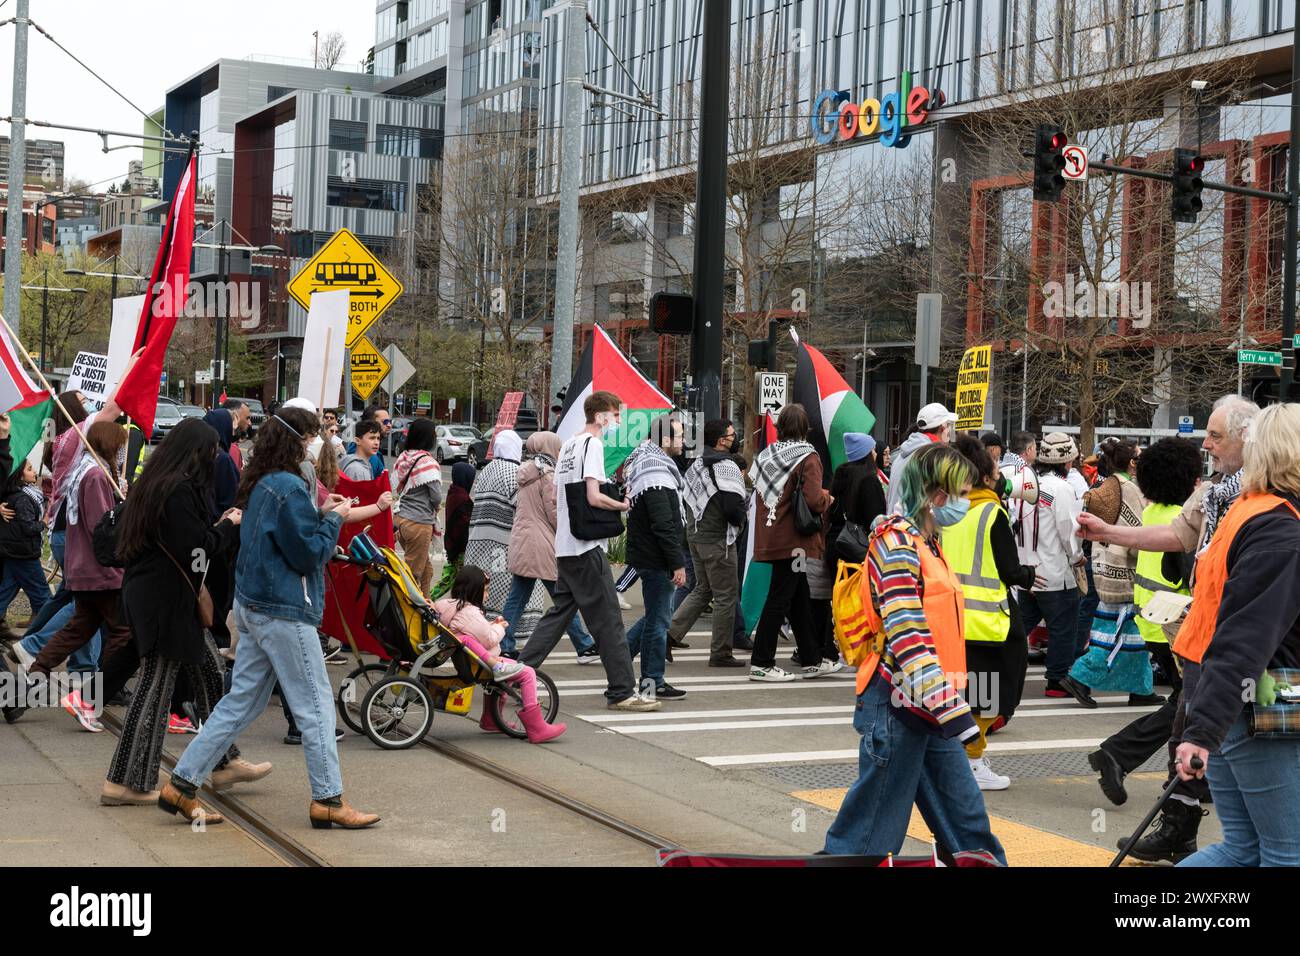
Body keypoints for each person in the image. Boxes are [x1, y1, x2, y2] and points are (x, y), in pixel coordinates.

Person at [158, 407, 380, 829]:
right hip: (284, 610)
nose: (317, 447)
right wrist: (332, 518)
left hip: (255, 605)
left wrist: (321, 517)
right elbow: (306, 553)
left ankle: (182, 782)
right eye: (313, 437)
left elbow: (280, 540)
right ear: (297, 441)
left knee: (241, 701)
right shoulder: (290, 487)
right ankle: (328, 798)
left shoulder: (262, 482)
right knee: (315, 705)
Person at [1079, 395, 1260, 862]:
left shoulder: (1262, 494)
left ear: (1247, 438)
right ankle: (1182, 829)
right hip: (1200, 631)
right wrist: (1109, 534)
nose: (1207, 443)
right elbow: (1179, 535)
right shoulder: (1216, 490)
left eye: (1216, 436)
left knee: (1221, 737)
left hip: (1240, 636)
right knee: (1188, 729)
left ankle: (1217, 833)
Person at [822, 443, 1005, 865]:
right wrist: (953, 711)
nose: (966, 501)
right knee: (871, 835)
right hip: (898, 703)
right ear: (937, 496)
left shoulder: (927, 541)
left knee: (967, 823)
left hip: (927, 706)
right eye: (962, 492)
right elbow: (907, 635)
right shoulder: (899, 545)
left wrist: (947, 706)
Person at [101, 419, 270, 805]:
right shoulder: (177, 490)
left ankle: (224, 759)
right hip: (166, 605)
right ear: (196, 453)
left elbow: (182, 541)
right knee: (154, 691)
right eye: (211, 452)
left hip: (165, 599)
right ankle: (123, 781)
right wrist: (227, 527)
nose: (215, 459)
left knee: (210, 675)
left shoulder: (160, 483)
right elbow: (195, 550)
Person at [1171, 403, 1300, 867]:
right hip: (1260, 710)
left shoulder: (1252, 510)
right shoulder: (1282, 529)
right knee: (1287, 855)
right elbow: (1246, 635)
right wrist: (1202, 731)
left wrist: (1203, 724)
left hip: (1224, 701)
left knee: (1240, 851)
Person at [1087, 437, 1206, 856]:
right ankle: (1118, 754)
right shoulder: (1180, 522)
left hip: (1153, 624)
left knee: (1184, 705)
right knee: (1188, 707)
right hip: (1178, 628)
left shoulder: (1152, 513)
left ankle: (1185, 783)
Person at [518, 390, 659, 712]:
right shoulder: (592, 445)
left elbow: (560, 496)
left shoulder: (568, 445)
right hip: (586, 548)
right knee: (608, 621)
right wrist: (622, 504)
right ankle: (622, 691)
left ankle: (516, 674)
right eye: (615, 416)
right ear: (600, 416)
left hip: (566, 546)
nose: (617, 422)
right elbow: (594, 497)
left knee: (557, 617)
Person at [944, 435, 1040, 791]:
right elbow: (1010, 570)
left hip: (954, 617)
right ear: (985, 478)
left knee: (966, 691)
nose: (1001, 475)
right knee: (992, 694)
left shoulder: (950, 510)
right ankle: (972, 759)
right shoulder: (991, 513)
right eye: (996, 469)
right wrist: (1030, 575)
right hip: (989, 620)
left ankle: (962, 756)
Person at [28, 421, 130, 733]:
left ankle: (36, 673)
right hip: (103, 571)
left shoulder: (83, 470)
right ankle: (94, 696)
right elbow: (103, 526)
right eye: (121, 445)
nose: (124, 451)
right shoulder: (97, 475)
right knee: (124, 635)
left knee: (78, 629)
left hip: (84, 569)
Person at [748, 404, 839, 682]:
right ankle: (762, 662)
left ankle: (812, 658)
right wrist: (828, 498)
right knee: (780, 597)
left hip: (771, 535)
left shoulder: (766, 455)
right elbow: (812, 499)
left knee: (798, 594)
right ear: (805, 427)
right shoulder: (808, 457)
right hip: (796, 541)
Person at [432, 565, 566, 743]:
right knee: (527, 673)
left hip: (469, 661)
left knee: (503, 677)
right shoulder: (470, 613)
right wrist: (499, 626)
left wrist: (489, 624)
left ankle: (491, 719)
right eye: (485, 590)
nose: (487, 593)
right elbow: (489, 639)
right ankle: (537, 728)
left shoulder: (445, 606)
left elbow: (474, 630)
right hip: (482, 663)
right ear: (475, 591)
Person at [499, 431, 599, 662]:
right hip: (541, 543)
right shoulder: (547, 474)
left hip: (522, 540)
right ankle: (584, 646)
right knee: (563, 596)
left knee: (518, 597)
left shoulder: (525, 471)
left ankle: (504, 643)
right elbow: (553, 512)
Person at [1069, 439, 1149, 706]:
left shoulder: (1105, 485)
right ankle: (1080, 676)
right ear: (1131, 462)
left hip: (1104, 568)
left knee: (1124, 634)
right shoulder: (1130, 490)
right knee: (1121, 635)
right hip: (1126, 572)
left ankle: (1141, 688)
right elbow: (1140, 534)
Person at [667, 418, 748, 667]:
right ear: (721, 440)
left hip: (695, 535)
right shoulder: (727, 467)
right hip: (718, 540)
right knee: (726, 595)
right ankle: (721, 652)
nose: (736, 438)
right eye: (732, 435)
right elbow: (733, 507)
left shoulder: (697, 464)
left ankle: (667, 636)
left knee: (703, 589)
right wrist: (741, 521)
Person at [1015, 432, 1088, 703]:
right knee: (1063, 627)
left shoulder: (1025, 483)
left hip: (1028, 569)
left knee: (1021, 624)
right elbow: (1068, 531)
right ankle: (1056, 679)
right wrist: (1077, 557)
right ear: (1067, 462)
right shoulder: (1062, 489)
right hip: (1055, 571)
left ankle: (994, 660)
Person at [621, 413, 689, 700]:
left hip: (649, 556)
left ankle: (618, 660)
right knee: (659, 622)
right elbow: (663, 525)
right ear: (664, 440)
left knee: (655, 617)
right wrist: (677, 563)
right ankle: (653, 681)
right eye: (680, 435)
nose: (685, 440)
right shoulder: (656, 473)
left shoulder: (649, 463)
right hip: (657, 559)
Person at [464, 430, 533, 626]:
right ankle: (502, 630)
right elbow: (520, 504)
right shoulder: (515, 472)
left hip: (478, 539)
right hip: (502, 543)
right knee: (503, 589)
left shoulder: (486, 468)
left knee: (482, 587)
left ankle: (479, 626)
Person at [392, 418, 443, 595]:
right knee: (412, 573)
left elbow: (395, 485)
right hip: (419, 523)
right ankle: (406, 610)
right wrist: (436, 506)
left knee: (426, 570)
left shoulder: (404, 456)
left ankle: (427, 603)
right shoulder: (427, 462)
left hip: (401, 519)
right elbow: (436, 496)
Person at [0, 460, 51, 627]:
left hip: (12, 551)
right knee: (42, 594)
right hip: (24, 554)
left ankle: (36, 621)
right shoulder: (23, 498)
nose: (34, 471)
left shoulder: (18, 494)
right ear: (19, 476)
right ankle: (39, 638)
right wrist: (44, 522)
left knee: (7, 589)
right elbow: (28, 527)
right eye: (29, 469)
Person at [886, 403, 957, 515]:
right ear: (942, 428)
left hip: (897, 527)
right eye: (949, 426)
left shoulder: (902, 454)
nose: (950, 431)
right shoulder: (932, 456)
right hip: (913, 527)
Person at [433, 462, 474, 599]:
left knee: (450, 580)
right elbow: (462, 528)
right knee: (453, 582)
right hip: (459, 550)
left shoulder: (454, 492)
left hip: (452, 546)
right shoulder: (463, 499)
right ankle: (424, 603)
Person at [346, 405, 391, 479]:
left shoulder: (370, 452)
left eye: (389, 421)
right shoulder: (366, 456)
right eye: (385, 422)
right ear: (370, 422)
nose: (389, 425)